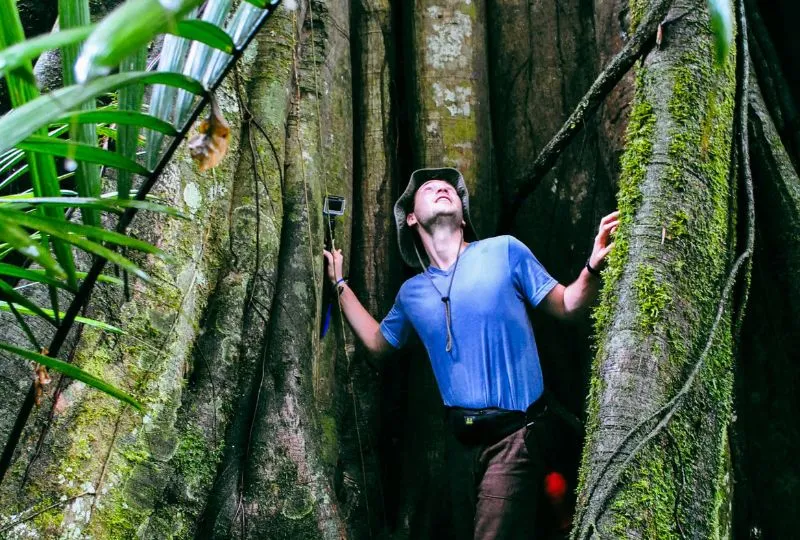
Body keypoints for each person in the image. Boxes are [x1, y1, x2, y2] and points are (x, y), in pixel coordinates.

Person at [323, 167, 618, 539]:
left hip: (517, 436)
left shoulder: (504, 251)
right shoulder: (412, 293)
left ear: (463, 216)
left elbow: (568, 306)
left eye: (449, 189)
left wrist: (592, 266)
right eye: (430, 188)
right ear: (411, 217)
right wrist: (339, 284)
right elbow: (379, 345)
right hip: (460, 444)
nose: (442, 189)